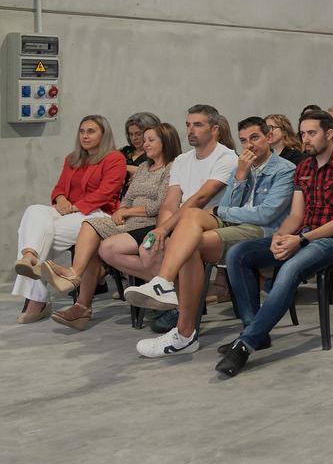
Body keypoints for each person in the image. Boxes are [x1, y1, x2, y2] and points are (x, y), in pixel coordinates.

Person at [124, 118, 298, 357]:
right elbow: (228, 203)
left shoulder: (285, 169)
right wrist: (240, 176)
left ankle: (183, 332)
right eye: (244, 140)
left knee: (189, 241)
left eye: (255, 138)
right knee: (192, 217)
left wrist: (222, 212)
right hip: (234, 225)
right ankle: (166, 288)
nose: (249, 145)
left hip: (262, 232)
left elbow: (266, 214)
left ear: (268, 138)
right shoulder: (242, 166)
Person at [212, 110, 333, 377]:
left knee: (290, 268)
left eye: (312, 133)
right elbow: (296, 216)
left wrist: (300, 239)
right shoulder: (304, 168)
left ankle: (245, 344)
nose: (305, 139)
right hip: (303, 235)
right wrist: (279, 237)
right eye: (303, 133)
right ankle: (255, 332)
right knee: (239, 253)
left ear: (328, 134)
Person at [106, 105, 239, 333]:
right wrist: (162, 233)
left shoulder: (227, 157)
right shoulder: (182, 160)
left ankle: (170, 293)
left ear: (215, 129)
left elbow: (200, 199)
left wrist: (165, 229)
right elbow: (170, 202)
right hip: (178, 221)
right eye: (188, 124)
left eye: (198, 125)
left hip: (211, 220)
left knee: (188, 220)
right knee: (112, 248)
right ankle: (172, 294)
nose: (190, 130)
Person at [40, 123, 181, 330]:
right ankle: (76, 285)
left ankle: (79, 297)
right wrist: (121, 210)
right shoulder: (143, 167)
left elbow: (160, 204)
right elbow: (128, 197)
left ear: (165, 142)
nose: (145, 144)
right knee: (90, 225)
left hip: (152, 221)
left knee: (95, 237)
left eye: (151, 140)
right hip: (129, 220)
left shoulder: (172, 167)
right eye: (145, 139)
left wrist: (127, 212)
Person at [12, 115, 126, 323]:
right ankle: (29, 256)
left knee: (40, 235)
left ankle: (37, 300)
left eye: (91, 131)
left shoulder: (114, 158)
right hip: (68, 211)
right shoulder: (73, 158)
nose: (85, 136)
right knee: (34, 211)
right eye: (82, 131)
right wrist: (62, 198)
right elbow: (59, 188)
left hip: (97, 214)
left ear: (104, 134)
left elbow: (106, 192)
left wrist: (74, 206)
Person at [121, 112, 161, 176]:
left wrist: (121, 167)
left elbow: (154, 174)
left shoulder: (155, 154)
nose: (134, 138)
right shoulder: (124, 151)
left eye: (138, 134)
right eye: (131, 134)